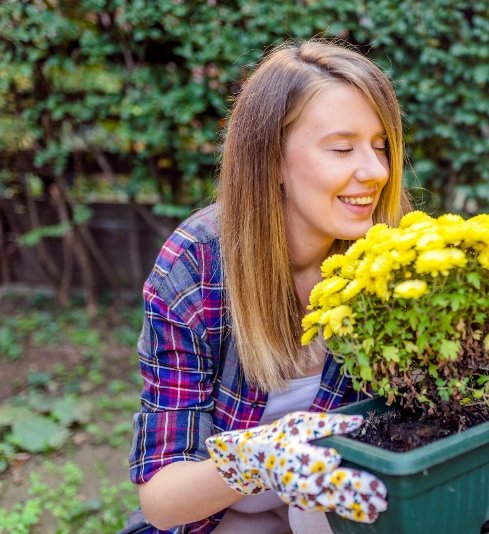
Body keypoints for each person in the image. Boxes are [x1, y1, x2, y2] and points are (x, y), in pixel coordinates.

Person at [124, 39, 411, 534]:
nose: (377, 172)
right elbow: (162, 498)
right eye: (343, 148)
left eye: (381, 145)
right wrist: (259, 460)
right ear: (272, 160)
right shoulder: (196, 267)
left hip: (347, 517)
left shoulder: (394, 258)